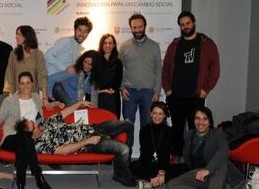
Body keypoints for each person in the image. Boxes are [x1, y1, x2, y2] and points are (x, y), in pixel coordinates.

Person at [0, 72, 53, 189]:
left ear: (32, 84)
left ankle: (20, 186)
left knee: (22, 146)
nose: (25, 86)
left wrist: (40, 127)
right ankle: (38, 177)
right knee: (24, 139)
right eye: (22, 83)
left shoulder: (36, 97)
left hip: (28, 140)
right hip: (10, 138)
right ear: (18, 85)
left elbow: (42, 116)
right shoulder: (10, 101)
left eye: (28, 83)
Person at [26, 100, 136, 187]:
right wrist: (86, 141)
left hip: (93, 128)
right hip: (89, 144)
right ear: (31, 135)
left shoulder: (45, 123)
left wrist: (80, 103)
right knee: (123, 149)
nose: (37, 124)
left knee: (129, 124)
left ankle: (123, 164)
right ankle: (120, 173)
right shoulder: (40, 145)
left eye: (34, 123)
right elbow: (64, 151)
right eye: (34, 126)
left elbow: (64, 112)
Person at [162, 11, 220, 162]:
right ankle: (175, 155)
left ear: (194, 23)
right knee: (177, 127)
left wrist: (206, 89)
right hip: (176, 95)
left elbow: (215, 68)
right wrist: (168, 89)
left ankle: (195, 157)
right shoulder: (175, 45)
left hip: (196, 95)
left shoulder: (207, 43)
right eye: (182, 24)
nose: (185, 26)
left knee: (197, 128)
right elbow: (166, 68)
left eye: (188, 23)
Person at [165, 107, 235, 189]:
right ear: (193, 120)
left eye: (204, 119)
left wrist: (208, 169)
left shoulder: (217, 133)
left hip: (215, 175)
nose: (200, 122)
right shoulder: (188, 135)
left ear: (210, 121)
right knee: (171, 185)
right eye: (197, 118)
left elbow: (224, 151)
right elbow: (185, 156)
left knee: (222, 162)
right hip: (196, 175)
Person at [119, 13, 162, 147]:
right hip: (129, 92)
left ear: (145, 26)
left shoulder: (154, 46)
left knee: (147, 126)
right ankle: (126, 156)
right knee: (127, 126)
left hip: (148, 92)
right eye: (134, 27)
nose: (137, 30)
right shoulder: (124, 46)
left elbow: (158, 70)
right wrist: (121, 87)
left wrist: (157, 91)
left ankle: (146, 157)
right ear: (130, 28)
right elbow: (119, 70)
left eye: (140, 27)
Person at [129, 101, 189, 189]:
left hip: (162, 164)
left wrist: (162, 171)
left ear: (164, 115)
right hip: (147, 163)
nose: (157, 116)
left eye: (160, 114)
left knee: (185, 167)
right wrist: (156, 171)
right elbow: (146, 152)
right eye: (155, 113)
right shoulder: (144, 129)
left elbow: (166, 152)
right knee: (133, 165)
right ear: (150, 114)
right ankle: (158, 179)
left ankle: (152, 181)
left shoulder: (169, 130)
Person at [3, 25, 50, 108]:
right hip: (16, 97)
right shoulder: (14, 53)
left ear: (26, 36)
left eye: (19, 34)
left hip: (32, 97)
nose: (16, 37)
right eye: (16, 34)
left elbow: (42, 76)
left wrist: (44, 97)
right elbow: (9, 74)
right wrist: (10, 94)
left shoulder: (38, 54)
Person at [92, 34, 123, 119]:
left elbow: (118, 80)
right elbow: (94, 79)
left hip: (113, 96)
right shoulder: (95, 60)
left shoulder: (118, 62)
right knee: (100, 122)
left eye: (110, 43)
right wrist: (102, 90)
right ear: (101, 45)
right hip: (99, 96)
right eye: (105, 43)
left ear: (113, 45)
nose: (107, 45)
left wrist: (112, 89)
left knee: (113, 122)